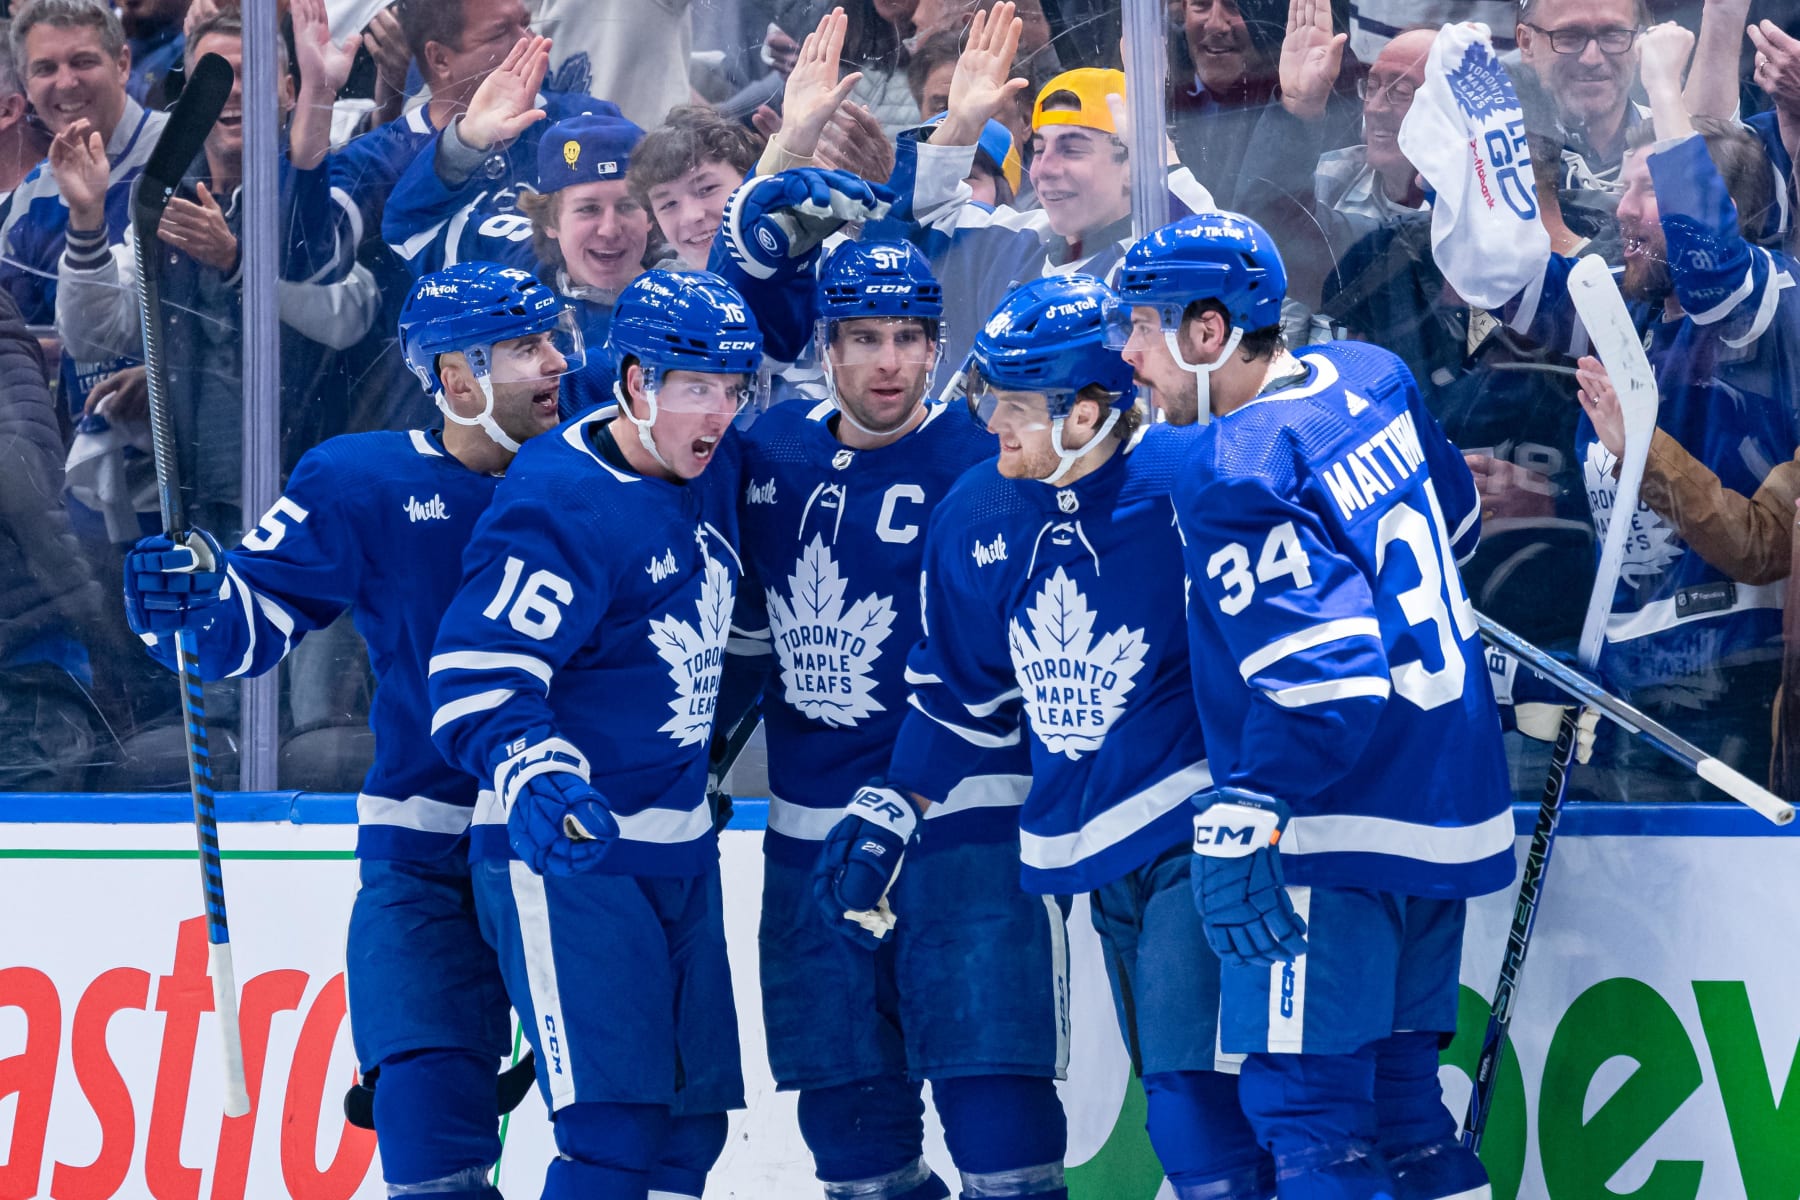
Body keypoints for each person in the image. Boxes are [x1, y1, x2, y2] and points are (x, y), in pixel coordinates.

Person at [117, 262, 582, 1200]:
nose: (556, 363)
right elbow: (240, 631)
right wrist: (179, 603)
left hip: (569, 839)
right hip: (422, 841)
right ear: (455, 377)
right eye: (526, 346)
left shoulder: (601, 461)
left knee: (614, 1131)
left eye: (553, 338)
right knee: (422, 1128)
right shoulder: (359, 480)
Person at [833, 272, 1273, 1200]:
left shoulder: (1194, 486)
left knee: (1197, 1108)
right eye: (989, 394)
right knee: (1183, 1100)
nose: (991, 420)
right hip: (1092, 845)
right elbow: (958, 692)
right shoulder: (975, 511)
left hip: (1202, 834)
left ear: (1087, 412)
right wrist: (893, 806)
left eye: (1016, 404)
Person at [1119, 210, 1509, 1200]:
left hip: (1337, 819)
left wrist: (1251, 809)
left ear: (1208, 333)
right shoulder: (1369, 373)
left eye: (1144, 327)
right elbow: (1456, 523)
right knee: (1406, 1110)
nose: (1129, 355)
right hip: (1448, 793)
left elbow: (1329, 681)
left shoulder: (1234, 466)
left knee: (1307, 1113)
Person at [724, 239, 1069, 1200]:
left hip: (969, 826)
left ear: (935, 348)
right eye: (865, 338)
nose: (888, 361)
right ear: (825, 349)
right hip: (812, 835)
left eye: (909, 338)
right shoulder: (769, 454)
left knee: (997, 1112)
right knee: (851, 1127)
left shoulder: (992, 456)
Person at [427, 269, 761, 1200]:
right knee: (612, 1136)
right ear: (637, 381)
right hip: (574, 854)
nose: (721, 413)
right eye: (699, 388)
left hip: (680, 845)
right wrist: (531, 768)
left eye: (735, 390)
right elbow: (473, 672)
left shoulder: (714, 461)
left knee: (689, 1129)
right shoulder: (564, 498)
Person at [1421, 21, 1796, 799]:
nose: (1621, 210)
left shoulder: (1767, 304)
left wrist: (1662, 82)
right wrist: (1484, 169)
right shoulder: (1632, 308)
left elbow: (1712, 266)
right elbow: (1512, 285)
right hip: (1616, 677)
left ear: (1720, 207)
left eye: (1646, 188)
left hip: (1726, 674)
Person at [885, 5, 1214, 369]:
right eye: (1040, 149)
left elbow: (1207, 257)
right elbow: (897, 240)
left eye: (1072, 149)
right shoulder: (1014, 238)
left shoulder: (1142, 257)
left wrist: (1158, 153)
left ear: (1130, 166)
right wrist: (959, 125)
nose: (1045, 169)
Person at [382, 32, 616, 279]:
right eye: (588, 209)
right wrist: (466, 139)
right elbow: (408, 230)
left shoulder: (659, 282)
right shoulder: (522, 256)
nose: (609, 230)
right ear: (550, 221)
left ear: (650, 218)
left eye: (626, 206)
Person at [628, 104, 762, 270]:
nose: (691, 216)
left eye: (706, 189)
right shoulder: (665, 291)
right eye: (668, 204)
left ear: (749, 178)